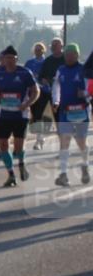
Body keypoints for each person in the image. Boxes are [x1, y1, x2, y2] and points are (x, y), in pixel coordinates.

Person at [0, 45, 39, 187]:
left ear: (16, 59)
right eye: (7, 58)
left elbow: (36, 91)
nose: (9, 61)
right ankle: (11, 174)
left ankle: (21, 164)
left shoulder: (25, 73)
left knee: (17, 147)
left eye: (12, 58)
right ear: (3, 59)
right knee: (2, 144)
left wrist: (27, 103)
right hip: (3, 113)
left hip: (21, 114)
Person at [51, 43, 91, 186]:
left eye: (71, 54)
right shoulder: (60, 70)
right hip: (65, 111)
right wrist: (56, 101)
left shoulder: (84, 70)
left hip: (81, 110)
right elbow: (56, 86)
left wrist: (85, 93)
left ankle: (85, 165)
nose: (68, 57)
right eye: (66, 54)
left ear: (77, 55)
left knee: (81, 141)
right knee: (64, 141)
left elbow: (90, 89)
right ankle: (63, 174)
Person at [35, 38, 66, 150]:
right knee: (37, 113)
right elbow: (41, 76)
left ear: (61, 46)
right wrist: (43, 80)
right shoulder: (48, 60)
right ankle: (39, 138)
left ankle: (63, 145)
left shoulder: (66, 59)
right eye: (52, 45)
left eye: (55, 45)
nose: (53, 47)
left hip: (59, 94)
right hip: (46, 91)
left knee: (59, 119)